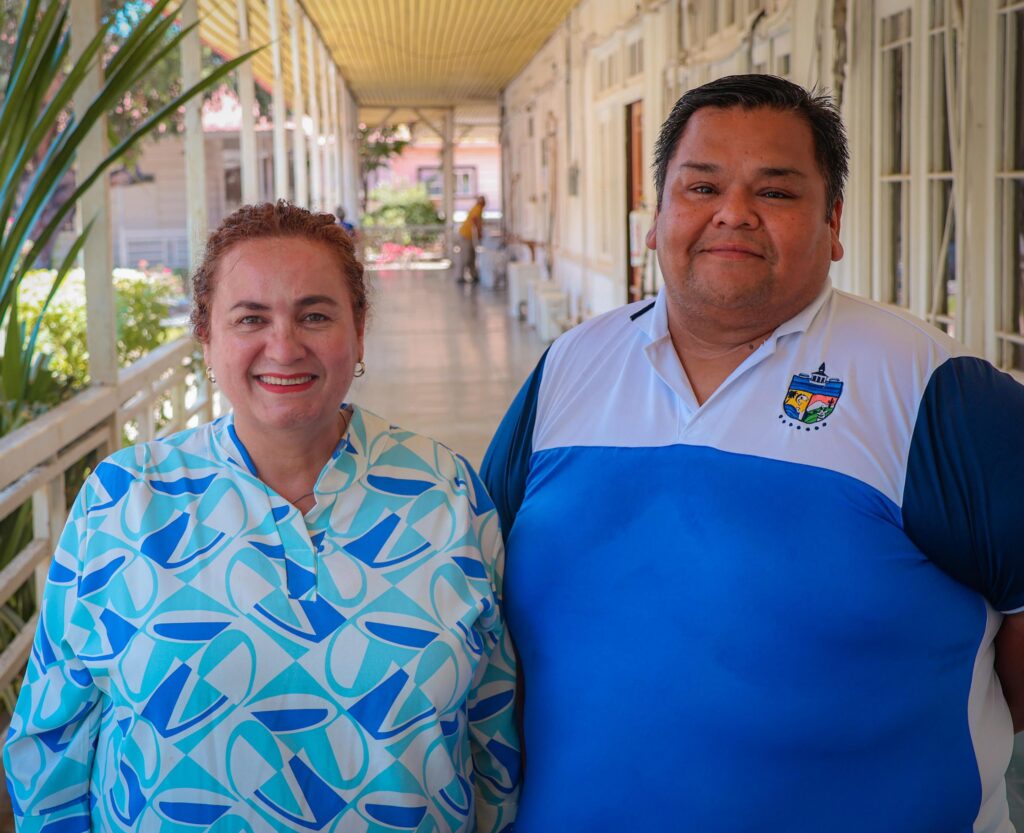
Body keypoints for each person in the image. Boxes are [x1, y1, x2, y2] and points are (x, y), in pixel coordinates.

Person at [482, 74, 1024, 832]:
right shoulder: (571, 367)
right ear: (657, 217)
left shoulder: (935, 389)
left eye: (776, 191)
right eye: (702, 186)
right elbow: (479, 588)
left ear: (834, 221)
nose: (733, 213)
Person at [5, 202, 519, 832]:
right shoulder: (124, 501)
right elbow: (51, 741)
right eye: (251, 318)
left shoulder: (446, 492)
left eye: (315, 315)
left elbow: (495, 734)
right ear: (206, 336)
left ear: (358, 331)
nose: (284, 346)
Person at [454, 196, 486, 283]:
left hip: (469, 236)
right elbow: (474, 220)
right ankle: (460, 276)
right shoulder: (478, 208)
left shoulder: (478, 209)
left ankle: (473, 275)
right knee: (465, 257)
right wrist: (479, 232)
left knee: (472, 255)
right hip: (465, 236)